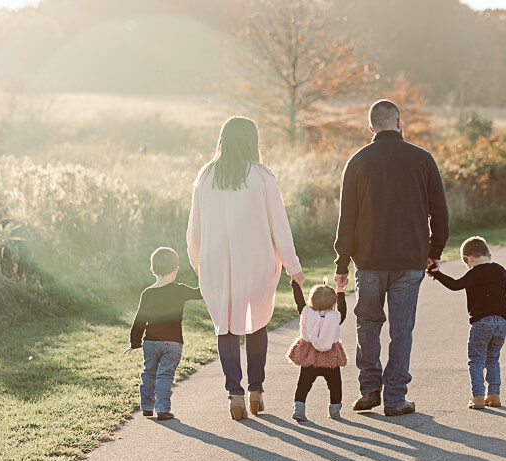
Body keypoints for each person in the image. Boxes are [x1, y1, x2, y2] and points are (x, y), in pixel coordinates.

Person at [334, 99, 449, 416]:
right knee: (401, 329)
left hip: (369, 261)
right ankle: (396, 398)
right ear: (399, 123)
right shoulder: (422, 160)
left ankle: (370, 389)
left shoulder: (358, 161)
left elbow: (347, 219)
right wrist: (434, 252)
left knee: (367, 324)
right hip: (410, 260)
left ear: (371, 127)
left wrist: (342, 264)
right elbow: (440, 212)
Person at [187, 116, 303, 421]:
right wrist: (293, 266)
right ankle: (256, 390)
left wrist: (198, 264)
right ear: (252, 141)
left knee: (225, 326)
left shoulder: (206, 175)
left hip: (216, 265)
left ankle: (234, 393)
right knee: (256, 322)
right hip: (256, 262)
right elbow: (279, 224)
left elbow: (194, 230)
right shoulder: (262, 176)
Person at [428, 237, 506, 409]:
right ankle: (494, 395)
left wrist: (436, 273)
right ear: (489, 255)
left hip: (481, 323)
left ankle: (478, 397)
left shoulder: (474, 273)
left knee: (476, 360)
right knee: (493, 359)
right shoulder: (498, 269)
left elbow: (454, 285)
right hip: (501, 323)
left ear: (468, 259)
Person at [125, 247, 202, 421]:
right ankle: (162, 409)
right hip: (173, 343)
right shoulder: (180, 289)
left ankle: (146, 407)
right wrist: (205, 275)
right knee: (165, 375)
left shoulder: (148, 293)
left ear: (152, 270)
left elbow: (139, 321)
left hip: (150, 343)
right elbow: (200, 293)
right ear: (176, 270)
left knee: (149, 373)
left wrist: (134, 343)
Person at [286, 279, 348, 421]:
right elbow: (343, 310)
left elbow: (299, 302)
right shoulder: (335, 317)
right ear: (333, 303)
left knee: (303, 384)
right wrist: (340, 290)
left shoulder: (306, 313)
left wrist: (296, 285)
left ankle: (299, 409)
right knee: (335, 385)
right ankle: (334, 410)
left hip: (310, 357)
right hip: (330, 358)